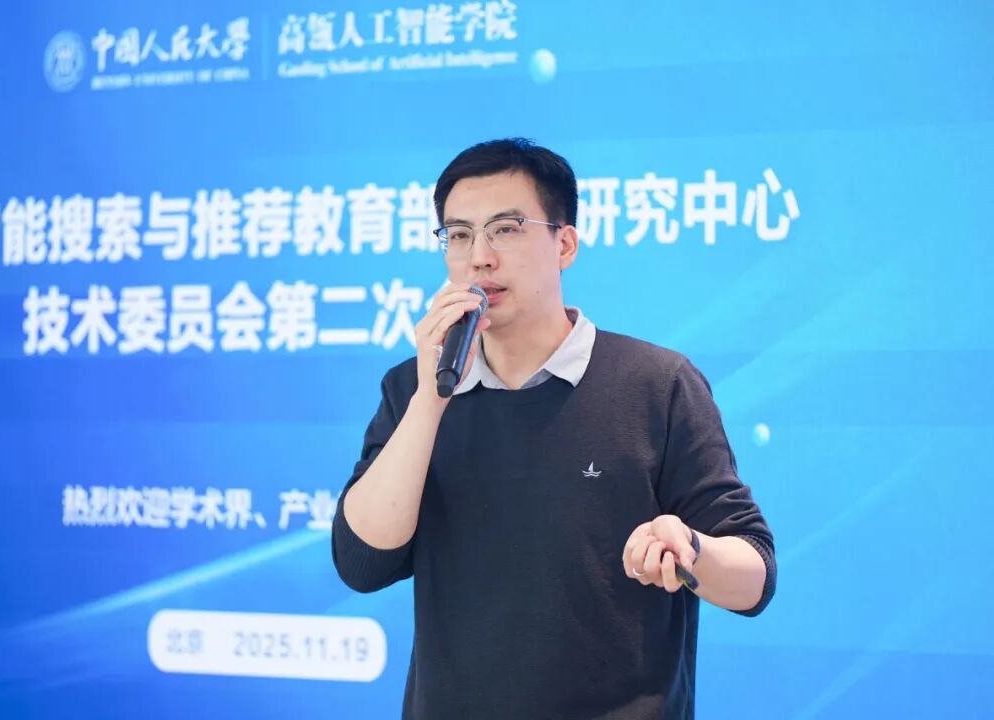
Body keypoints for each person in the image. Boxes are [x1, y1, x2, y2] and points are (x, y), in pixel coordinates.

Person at [332, 138, 776, 720]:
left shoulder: (656, 383)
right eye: (459, 235)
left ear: (564, 244)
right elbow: (363, 563)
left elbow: (754, 579)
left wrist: (692, 550)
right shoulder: (413, 390)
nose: (479, 257)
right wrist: (432, 398)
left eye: (506, 229)